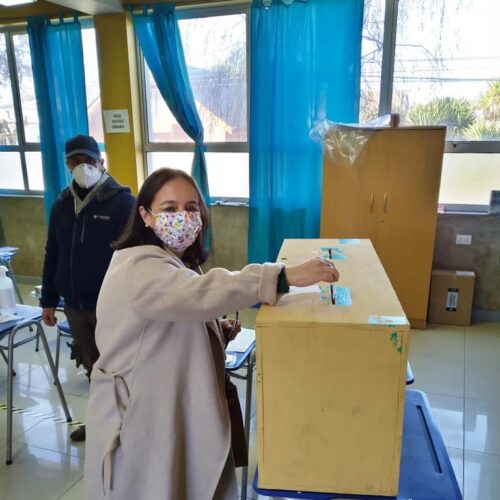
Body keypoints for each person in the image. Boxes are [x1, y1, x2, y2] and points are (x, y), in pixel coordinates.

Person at [83, 167, 340, 500]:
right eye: (169, 209)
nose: (183, 217)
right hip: (137, 417)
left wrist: (211, 330)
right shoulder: (139, 266)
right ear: (145, 215)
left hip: (162, 403)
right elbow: (200, 292)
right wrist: (281, 277)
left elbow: (171, 310)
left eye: (191, 208)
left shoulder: (171, 259)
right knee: (155, 487)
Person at [40, 134, 135, 442]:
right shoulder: (62, 205)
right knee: (95, 370)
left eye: (89, 160)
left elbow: (136, 257)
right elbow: (52, 252)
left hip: (113, 305)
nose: (83, 167)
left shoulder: (122, 202)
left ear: (100, 162)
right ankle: (102, 424)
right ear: (68, 164)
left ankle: (133, 426)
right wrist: (48, 300)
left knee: (122, 369)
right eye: (76, 161)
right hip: (75, 305)